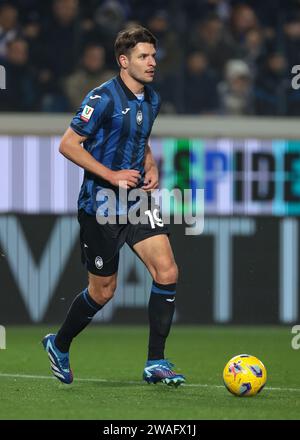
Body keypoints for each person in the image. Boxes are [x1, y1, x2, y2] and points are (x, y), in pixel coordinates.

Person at [42, 25, 185, 387]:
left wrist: (149, 163)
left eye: (153, 55)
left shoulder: (152, 99)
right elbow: (68, 144)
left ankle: (156, 362)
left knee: (166, 271)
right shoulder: (101, 98)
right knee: (103, 291)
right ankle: (59, 344)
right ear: (124, 61)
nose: (152, 62)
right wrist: (112, 174)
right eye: (143, 56)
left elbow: (140, 138)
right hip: (101, 204)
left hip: (135, 200)